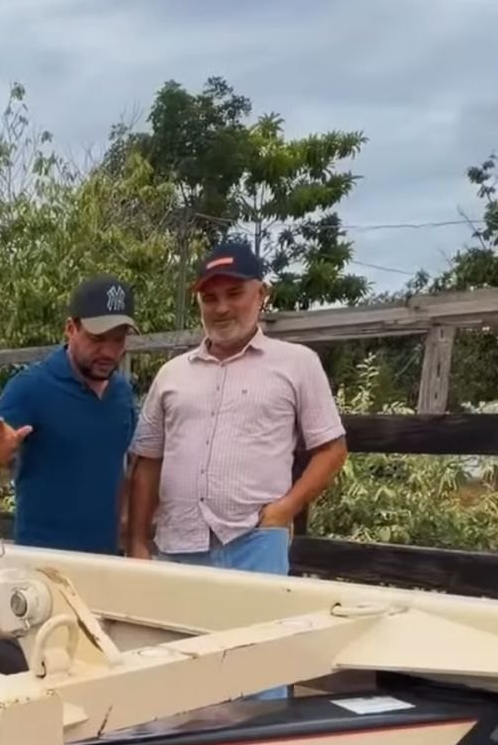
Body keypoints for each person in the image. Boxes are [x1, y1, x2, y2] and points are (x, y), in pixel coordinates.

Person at [127, 240, 347, 578]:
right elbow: (147, 461)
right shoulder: (172, 374)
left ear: (261, 294)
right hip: (176, 547)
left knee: (256, 632)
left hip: (254, 545)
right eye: (210, 298)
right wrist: (138, 542)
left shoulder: (297, 363)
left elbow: (332, 449)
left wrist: (284, 510)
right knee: (174, 633)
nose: (221, 308)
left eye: (234, 293)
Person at [0, 275, 139, 553]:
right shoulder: (31, 386)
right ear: (71, 328)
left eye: (118, 340)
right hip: (43, 563)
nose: (108, 351)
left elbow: (127, 465)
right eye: (97, 338)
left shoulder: (122, 393)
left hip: (107, 561)